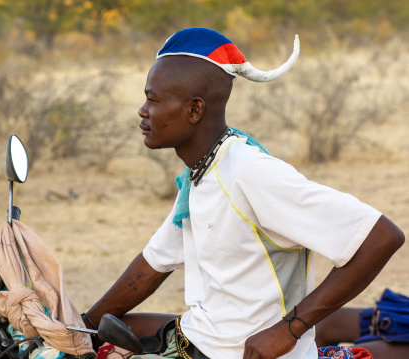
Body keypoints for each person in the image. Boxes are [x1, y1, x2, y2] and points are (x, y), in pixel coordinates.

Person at [81, 28, 405, 359]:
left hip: (255, 353)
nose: (142, 110)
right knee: (119, 325)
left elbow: (380, 237)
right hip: (200, 341)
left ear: (194, 110)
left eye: (153, 99)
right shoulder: (200, 173)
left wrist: (289, 329)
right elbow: (152, 265)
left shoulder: (249, 173)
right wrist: (80, 328)